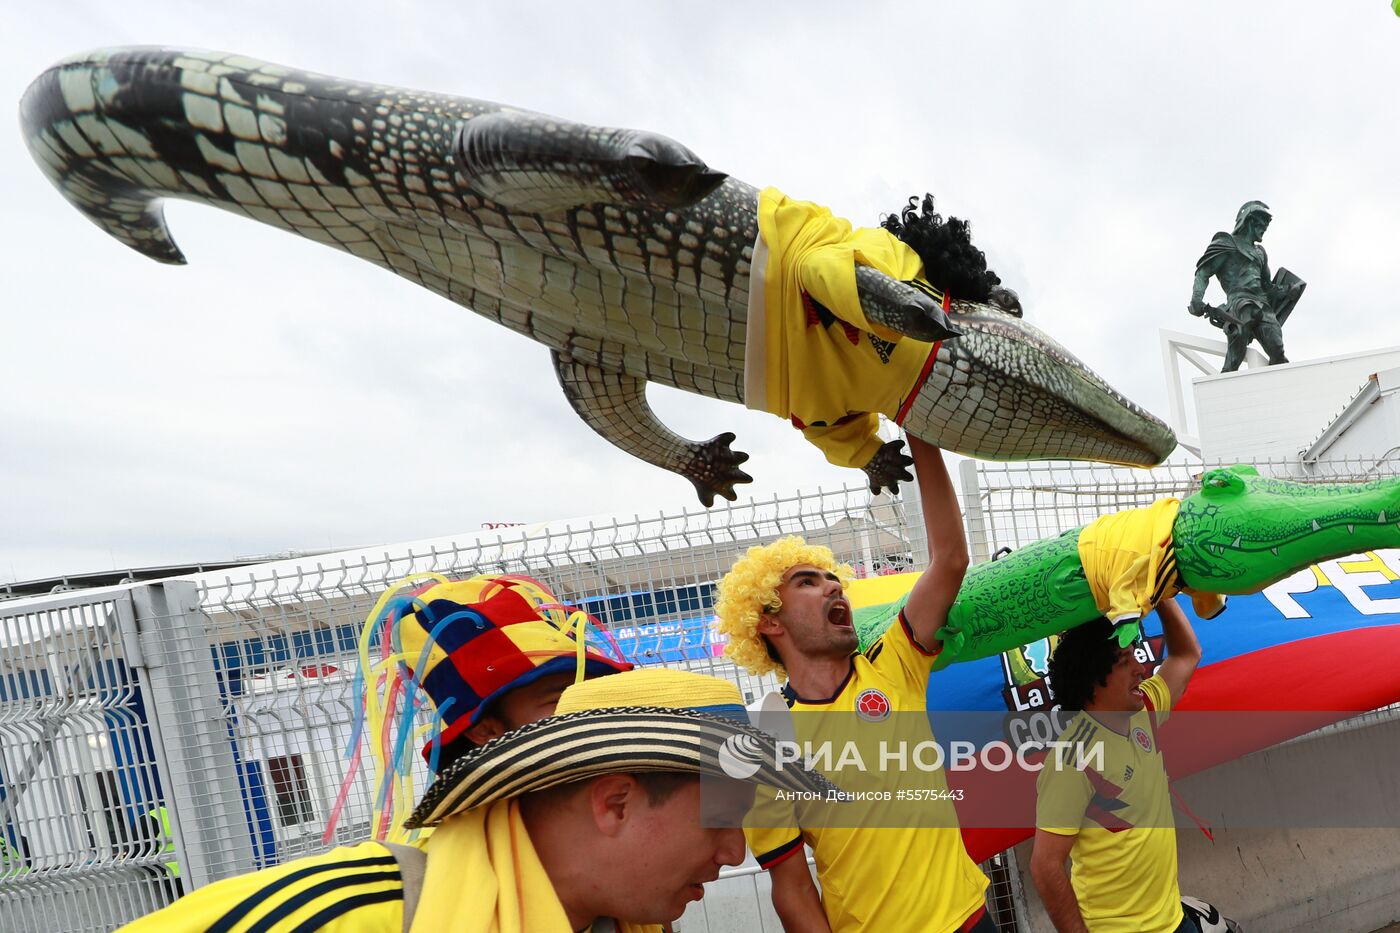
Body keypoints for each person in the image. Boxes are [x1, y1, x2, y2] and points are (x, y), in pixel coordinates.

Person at [117, 667, 836, 932]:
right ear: (614, 801)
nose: (735, 851)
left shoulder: (621, 920)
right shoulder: (346, 916)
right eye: (723, 818)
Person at [715, 436, 994, 932]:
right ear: (768, 622)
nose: (833, 585)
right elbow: (793, 889)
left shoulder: (892, 664)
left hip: (971, 920)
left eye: (832, 578)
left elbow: (950, 559)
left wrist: (921, 435)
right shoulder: (764, 737)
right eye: (808, 581)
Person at [1030, 598, 1214, 933]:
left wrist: (1162, 596)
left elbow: (1187, 654)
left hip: (1173, 920)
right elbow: (1045, 866)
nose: (1140, 669)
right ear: (1092, 679)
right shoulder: (1073, 757)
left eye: (1135, 657)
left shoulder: (1143, 710)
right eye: (1123, 661)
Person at [1188, 200, 1305, 373]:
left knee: (1278, 351)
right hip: (1239, 303)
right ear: (1249, 222)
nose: (1264, 229)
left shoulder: (1260, 253)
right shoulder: (1227, 243)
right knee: (1235, 354)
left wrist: (1288, 291)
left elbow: (1267, 286)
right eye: (1261, 225)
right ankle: (1224, 387)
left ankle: (1277, 391)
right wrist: (1196, 299)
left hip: (1263, 305)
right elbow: (1203, 272)